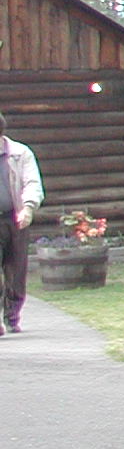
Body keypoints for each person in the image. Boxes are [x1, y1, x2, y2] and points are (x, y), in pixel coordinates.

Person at [0, 110, 45, 336]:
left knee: (16, 269)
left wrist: (27, 208)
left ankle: (12, 316)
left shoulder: (20, 153)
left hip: (14, 217)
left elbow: (32, 183)